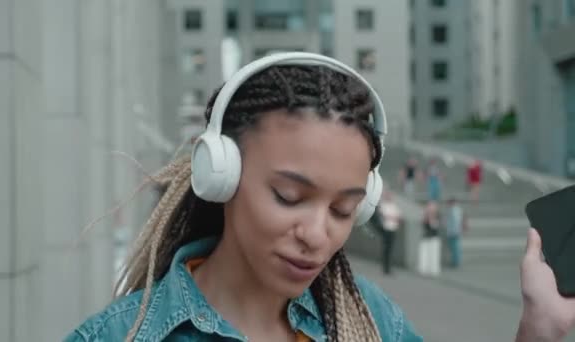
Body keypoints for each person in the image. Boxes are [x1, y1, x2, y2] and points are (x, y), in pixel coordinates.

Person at [64, 53, 575, 341]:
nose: (317, 235)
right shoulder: (117, 337)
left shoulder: (373, 319)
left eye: (343, 210)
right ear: (218, 175)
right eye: (288, 196)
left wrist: (541, 329)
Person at [378, 191, 403, 275]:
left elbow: (398, 217)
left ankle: (388, 268)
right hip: (386, 229)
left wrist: (392, 217)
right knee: (386, 249)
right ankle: (385, 268)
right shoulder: (383, 205)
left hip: (393, 229)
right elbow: (384, 216)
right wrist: (392, 217)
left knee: (390, 249)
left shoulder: (394, 206)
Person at [418, 201, 442, 277]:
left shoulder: (437, 216)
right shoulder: (425, 216)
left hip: (434, 238)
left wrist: (432, 217)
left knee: (434, 254)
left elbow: (435, 226)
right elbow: (424, 224)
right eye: (430, 207)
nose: (431, 209)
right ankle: (424, 268)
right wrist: (427, 216)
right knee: (424, 254)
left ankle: (433, 269)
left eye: (432, 207)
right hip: (426, 237)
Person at [445, 197, 468, 268]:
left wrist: (454, 231)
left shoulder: (454, 210)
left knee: (454, 248)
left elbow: (455, 221)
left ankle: (455, 262)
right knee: (455, 247)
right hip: (455, 231)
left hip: (453, 232)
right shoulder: (457, 209)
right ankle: (455, 261)